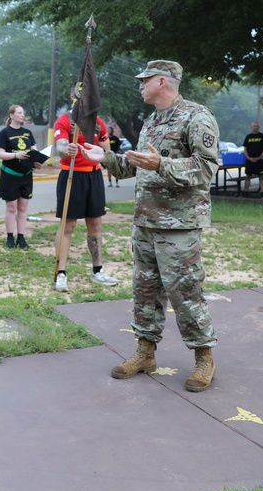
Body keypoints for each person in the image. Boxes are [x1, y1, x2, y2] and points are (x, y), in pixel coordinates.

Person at [81, 60, 220, 393]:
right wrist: (107, 159)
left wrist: (163, 163)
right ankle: (145, 353)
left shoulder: (197, 116)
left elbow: (206, 168)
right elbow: (139, 167)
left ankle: (204, 357)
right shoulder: (151, 122)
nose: (140, 85)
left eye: (144, 81)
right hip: (145, 221)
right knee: (145, 291)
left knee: (185, 294)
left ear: (162, 82)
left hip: (179, 225)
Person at [52, 95, 117, 292]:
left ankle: (98, 271)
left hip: (94, 176)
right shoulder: (65, 121)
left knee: (95, 224)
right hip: (72, 175)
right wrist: (67, 148)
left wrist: (103, 153)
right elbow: (60, 147)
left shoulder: (97, 124)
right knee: (67, 225)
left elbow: (107, 151)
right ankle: (60, 273)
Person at [0, 104, 42, 249]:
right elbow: (0, 154)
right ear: (11, 115)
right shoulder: (4, 133)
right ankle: (10, 237)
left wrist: (37, 162)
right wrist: (15, 155)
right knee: (11, 207)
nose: (23, 115)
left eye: (23, 113)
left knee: (23, 206)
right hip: (10, 175)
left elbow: (34, 151)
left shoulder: (28, 133)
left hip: (26, 175)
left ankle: (21, 238)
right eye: (20, 113)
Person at [241, 122, 263, 197]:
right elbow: (245, 149)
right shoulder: (248, 137)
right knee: (248, 176)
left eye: (257, 126)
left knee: (261, 176)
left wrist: (259, 157)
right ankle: (246, 191)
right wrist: (248, 158)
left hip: (259, 160)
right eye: (254, 126)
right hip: (249, 160)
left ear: (259, 127)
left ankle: (262, 192)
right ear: (251, 127)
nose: (255, 127)